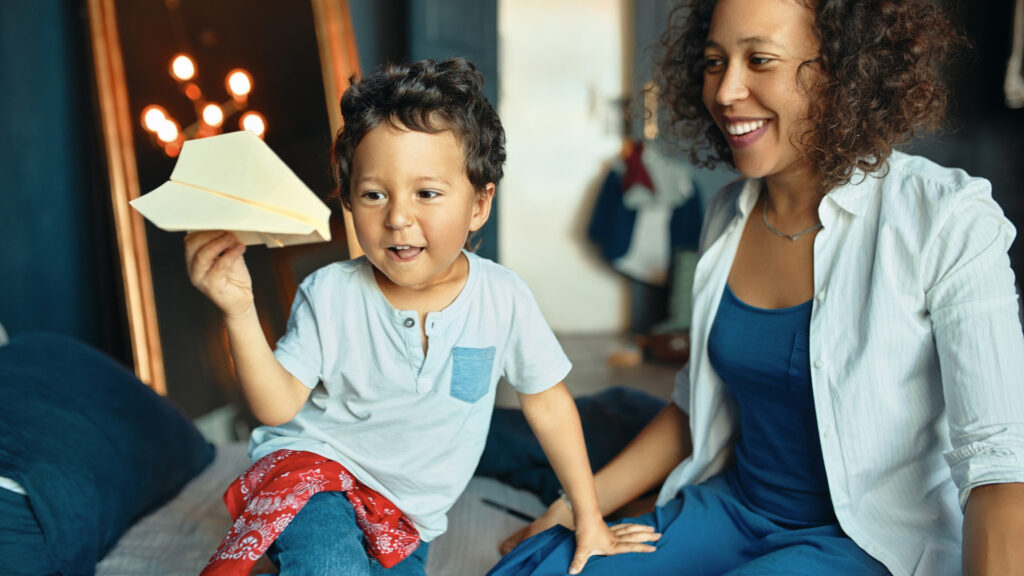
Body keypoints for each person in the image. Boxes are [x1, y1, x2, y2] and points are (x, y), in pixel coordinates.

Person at [489, 1, 1024, 575]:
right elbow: (696, 405)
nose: (725, 91)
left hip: (864, 540)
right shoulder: (727, 213)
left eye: (760, 60)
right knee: (540, 567)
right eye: (715, 62)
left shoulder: (946, 218)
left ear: (845, 69)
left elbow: (996, 464)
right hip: (734, 509)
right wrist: (576, 507)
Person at [184, 58, 658, 576]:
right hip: (313, 473)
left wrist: (589, 518)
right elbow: (276, 408)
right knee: (330, 563)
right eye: (373, 194)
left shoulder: (503, 298)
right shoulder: (330, 293)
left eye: (426, 193)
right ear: (348, 201)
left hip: (408, 516)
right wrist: (239, 310)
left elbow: (549, 407)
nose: (398, 217)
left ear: (480, 204)